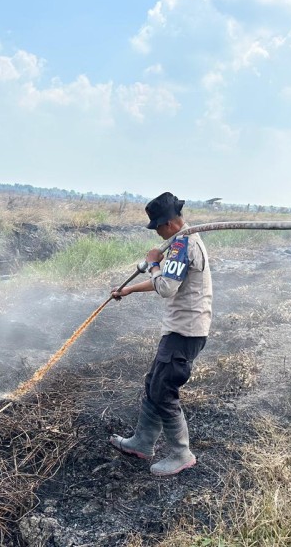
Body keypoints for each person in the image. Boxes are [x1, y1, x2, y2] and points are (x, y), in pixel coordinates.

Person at [109, 191, 213, 476]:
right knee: (154, 382)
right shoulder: (187, 240)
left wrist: (154, 261)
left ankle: (182, 454)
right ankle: (142, 442)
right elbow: (167, 280)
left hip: (185, 332)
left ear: (168, 224)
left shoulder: (182, 244)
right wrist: (129, 289)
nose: (156, 232)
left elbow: (165, 286)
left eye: (156, 227)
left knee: (164, 391)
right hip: (183, 330)